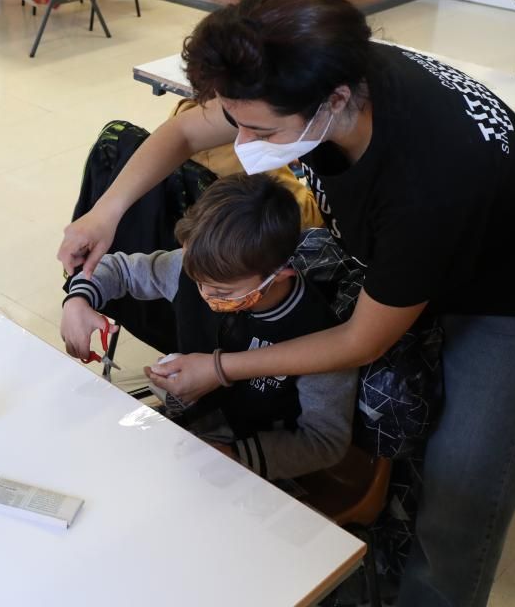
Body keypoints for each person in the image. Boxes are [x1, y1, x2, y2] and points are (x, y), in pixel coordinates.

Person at [57, 0, 515, 607]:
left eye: (259, 128)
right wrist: (104, 214)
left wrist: (221, 367)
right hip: (426, 247)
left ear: (334, 102)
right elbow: (182, 135)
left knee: (462, 490)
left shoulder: (430, 179)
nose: (241, 142)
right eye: (234, 120)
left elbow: (360, 340)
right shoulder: (318, 76)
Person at [62, 174, 355, 481]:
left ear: (280, 273)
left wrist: (236, 457)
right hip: (188, 433)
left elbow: (325, 442)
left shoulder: (323, 339)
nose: (204, 294)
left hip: (258, 463)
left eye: (222, 292)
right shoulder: (200, 269)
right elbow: (119, 270)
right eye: (197, 281)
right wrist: (79, 298)